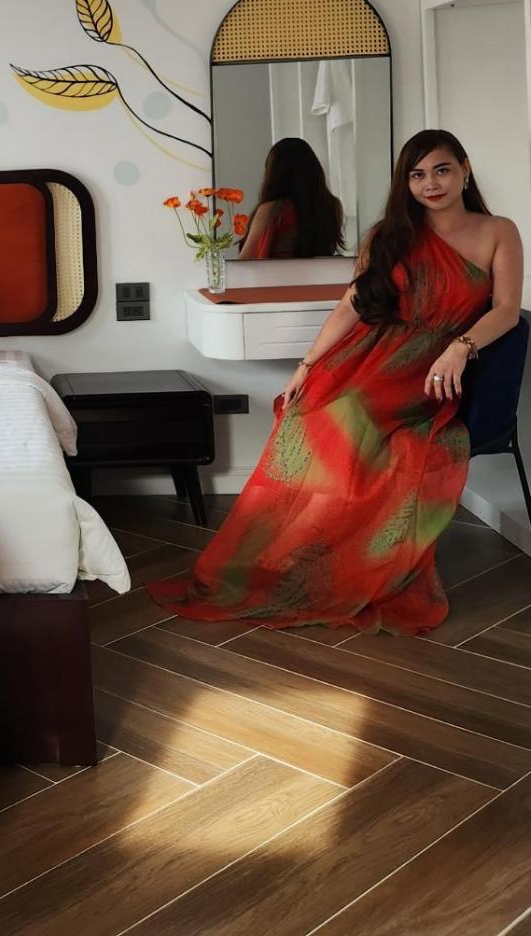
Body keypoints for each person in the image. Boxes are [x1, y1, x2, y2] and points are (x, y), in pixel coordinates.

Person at [151, 129, 522, 633]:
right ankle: (298, 554)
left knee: (352, 419)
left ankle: (330, 558)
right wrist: (306, 365)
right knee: (310, 415)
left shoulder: (498, 231)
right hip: (370, 355)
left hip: (433, 369)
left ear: (465, 169)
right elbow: (351, 305)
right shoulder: (389, 234)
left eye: (441, 170)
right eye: (417, 175)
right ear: (405, 183)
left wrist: (461, 347)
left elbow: (506, 310)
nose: (430, 184)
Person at [237, 136, 345, 259]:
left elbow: (246, 261)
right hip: (321, 272)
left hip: (278, 272)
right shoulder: (332, 207)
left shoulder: (272, 210)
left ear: (274, 173)